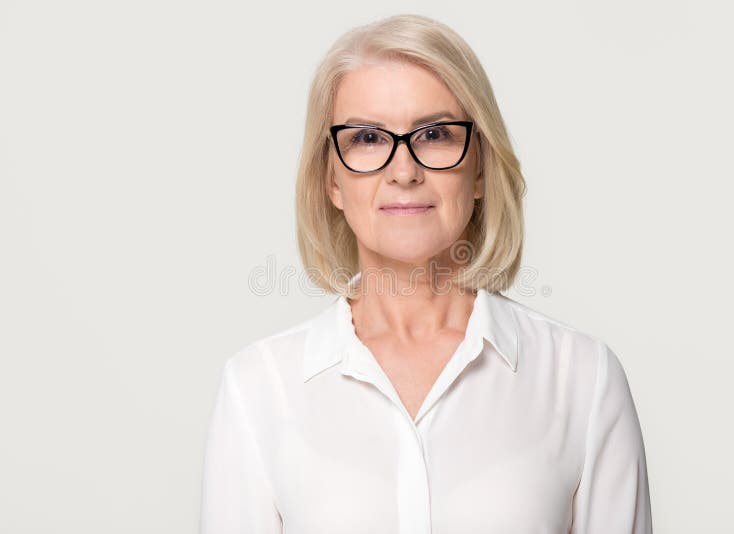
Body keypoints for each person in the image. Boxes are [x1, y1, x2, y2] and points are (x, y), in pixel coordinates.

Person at [199, 13, 653, 534]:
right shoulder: (258, 388)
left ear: (479, 168)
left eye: (434, 133)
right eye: (368, 137)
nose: (404, 170)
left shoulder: (582, 379)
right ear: (331, 180)